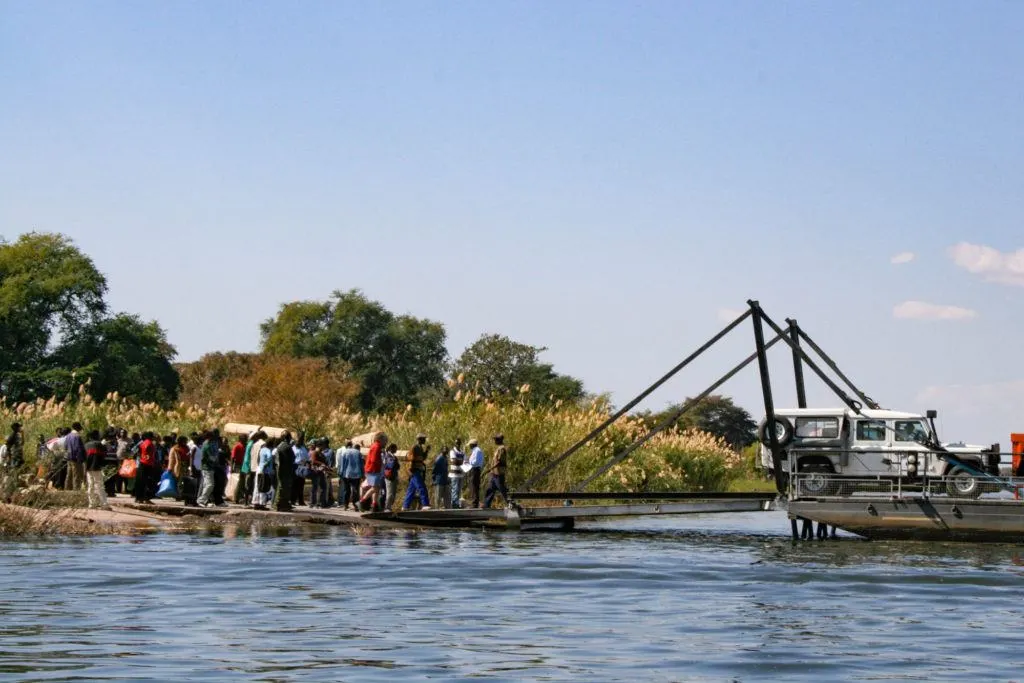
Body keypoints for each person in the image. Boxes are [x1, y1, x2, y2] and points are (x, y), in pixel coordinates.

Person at [402, 433, 431, 511]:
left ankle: (405, 506)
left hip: (417, 470)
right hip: (414, 471)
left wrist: (427, 451)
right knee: (422, 487)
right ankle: (425, 504)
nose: (425, 440)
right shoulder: (415, 447)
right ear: (419, 439)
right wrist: (410, 471)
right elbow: (409, 459)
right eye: (423, 439)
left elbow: (422, 458)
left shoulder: (420, 448)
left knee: (411, 489)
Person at [83, 430, 110, 510]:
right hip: (97, 467)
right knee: (100, 486)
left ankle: (92, 504)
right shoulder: (99, 444)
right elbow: (104, 455)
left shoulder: (86, 445)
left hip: (88, 468)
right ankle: (104, 505)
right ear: (96, 436)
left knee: (90, 485)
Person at [359, 433, 386, 512]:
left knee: (376, 488)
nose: (386, 442)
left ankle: (374, 505)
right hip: (373, 470)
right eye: (385, 440)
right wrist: (380, 465)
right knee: (375, 488)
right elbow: (374, 460)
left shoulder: (376, 446)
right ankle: (362, 501)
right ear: (380, 439)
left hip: (372, 470)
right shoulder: (376, 447)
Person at [483, 433, 510, 509]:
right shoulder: (498, 448)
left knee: (503, 490)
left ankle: (511, 503)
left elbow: (499, 462)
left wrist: (489, 469)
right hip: (494, 473)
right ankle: (486, 505)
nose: (494, 441)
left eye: (496, 439)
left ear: (499, 440)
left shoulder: (502, 449)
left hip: (499, 473)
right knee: (490, 489)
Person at [197, 430, 221, 507]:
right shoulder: (207, 445)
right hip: (207, 467)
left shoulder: (207, 443)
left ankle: (204, 500)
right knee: (210, 485)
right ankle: (201, 500)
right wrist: (216, 458)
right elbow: (211, 457)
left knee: (206, 484)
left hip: (208, 467)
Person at [274, 432, 296, 512]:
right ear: (288, 438)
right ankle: (281, 505)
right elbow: (293, 457)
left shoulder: (279, 446)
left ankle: (280, 504)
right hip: (285, 470)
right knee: (284, 487)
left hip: (280, 469)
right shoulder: (287, 446)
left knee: (281, 487)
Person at [252, 437, 276, 510]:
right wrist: (266, 465)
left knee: (257, 486)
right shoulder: (268, 451)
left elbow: (258, 459)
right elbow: (269, 459)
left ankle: (256, 503)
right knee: (263, 487)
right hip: (265, 471)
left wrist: (261, 465)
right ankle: (262, 504)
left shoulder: (261, 449)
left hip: (259, 469)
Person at [339, 440, 363, 511]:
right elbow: (361, 465)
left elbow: (342, 465)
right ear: (352, 445)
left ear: (346, 446)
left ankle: (345, 505)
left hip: (347, 474)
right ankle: (355, 506)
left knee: (346, 490)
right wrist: (362, 474)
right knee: (355, 490)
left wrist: (341, 474)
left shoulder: (344, 452)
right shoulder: (358, 452)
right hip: (356, 474)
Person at [135, 431, 158, 503]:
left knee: (141, 482)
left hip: (142, 463)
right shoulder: (150, 443)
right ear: (150, 437)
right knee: (148, 482)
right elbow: (150, 454)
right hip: (147, 464)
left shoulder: (142, 443)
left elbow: (137, 452)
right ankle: (146, 498)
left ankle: (139, 498)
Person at [64, 422, 86, 491]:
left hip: (69, 458)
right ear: (77, 428)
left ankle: (67, 490)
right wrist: (82, 459)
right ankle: (76, 491)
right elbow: (79, 449)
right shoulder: (77, 436)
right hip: (76, 459)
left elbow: (65, 446)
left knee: (69, 475)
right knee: (77, 476)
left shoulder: (68, 436)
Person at [291, 434, 310, 506]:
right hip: (295, 467)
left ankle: (301, 501)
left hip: (302, 467)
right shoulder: (292, 448)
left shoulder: (303, 448)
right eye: (297, 441)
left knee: (301, 484)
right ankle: (292, 500)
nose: (298, 442)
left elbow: (307, 458)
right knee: (294, 485)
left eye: (300, 441)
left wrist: (306, 463)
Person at [308, 440, 328, 508]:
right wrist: (322, 463)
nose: (323, 447)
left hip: (321, 472)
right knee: (315, 487)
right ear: (319, 446)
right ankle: (312, 503)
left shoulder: (321, 454)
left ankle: (320, 503)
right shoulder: (315, 452)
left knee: (323, 487)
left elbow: (325, 461)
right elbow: (313, 461)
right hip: (315, 472)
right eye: (322, 446)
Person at [237, 433, 255, 504]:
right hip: (247, 467)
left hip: (245, 466)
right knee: (246, 484)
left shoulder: (248, 444)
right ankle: (245, 501)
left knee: (245, 484)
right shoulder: (250, 445)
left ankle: (244, 500)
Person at [467, 438, 485, 508]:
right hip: (474, 469)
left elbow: (475, 462)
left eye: (470, 445)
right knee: (473, 486)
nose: (469, 446)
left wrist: (469, 462)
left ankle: (474, 504)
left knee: (474, 487)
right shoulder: (475, 450)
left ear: (472, 445)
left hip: (475, 470)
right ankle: (474, 503)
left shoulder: (477, 451)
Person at [382, 443, 401, 511]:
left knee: (393, 492)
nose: (396, 449)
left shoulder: (393, 456)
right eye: (395, 448)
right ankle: (387, 507)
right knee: (389, 492)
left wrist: (395, 463)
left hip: (393, 476)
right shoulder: (389, 456)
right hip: (389, 477)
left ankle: (389, 506)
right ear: (391, 448)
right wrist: (395, 462)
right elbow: (391, 465)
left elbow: (397, 466)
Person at [448, 439, 465, 509]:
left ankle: (457, 503)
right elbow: (455, 461)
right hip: (454, 474)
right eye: (457, 443)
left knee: (458, 490)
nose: (458, 444)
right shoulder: (452, 451)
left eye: (459, 443)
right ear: (455, 444)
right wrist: (462, 461)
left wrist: (461, 461)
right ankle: (454, 504)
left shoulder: (461, 452)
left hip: (460, 473)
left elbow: (464, 461)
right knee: (454, 489)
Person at [432, 444, 450, 509]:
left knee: (447, 496)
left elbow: (446, 469)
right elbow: (434, 469)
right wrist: (434, 479)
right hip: (439, 480)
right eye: (444, 449)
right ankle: (436, 509)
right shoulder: (439, 458)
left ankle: (447, 508)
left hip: (445, 480)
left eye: (447, 449)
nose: (446, 450)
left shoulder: (445, 458)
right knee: (438, 497)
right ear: (442, 450)